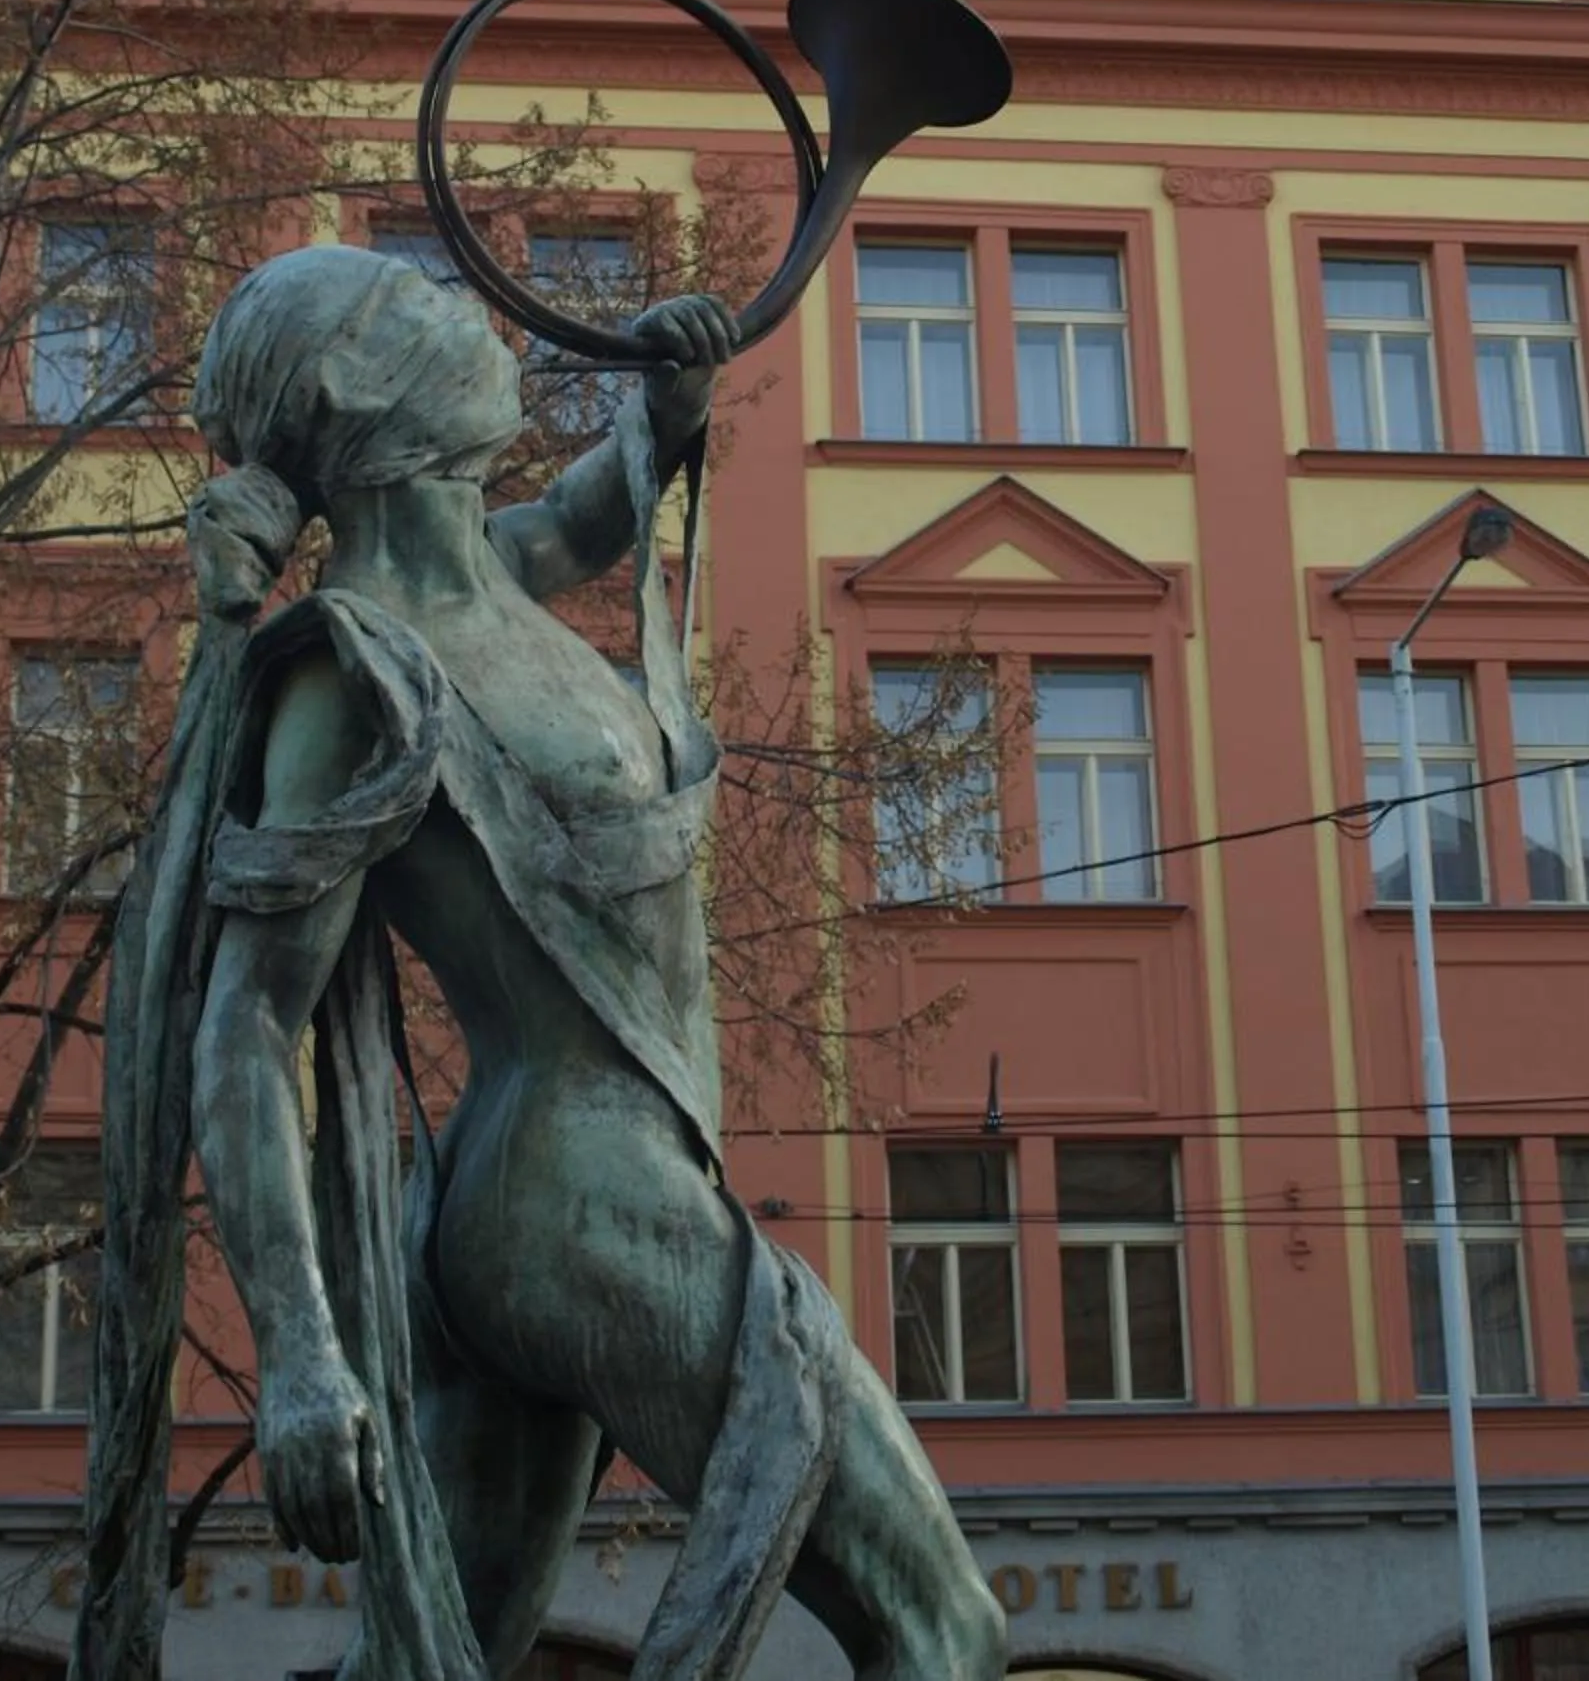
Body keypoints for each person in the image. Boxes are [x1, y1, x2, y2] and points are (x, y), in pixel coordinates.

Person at [103, 243, 1003, 1681]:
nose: (470, 315)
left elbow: (599, 504)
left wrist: (670, 396)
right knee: (944, 1626)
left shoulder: (502, 571)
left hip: (552, 1196)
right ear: (353, 386)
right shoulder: (355, 668)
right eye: (421, 309)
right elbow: (245, 1028)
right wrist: (299, 1353)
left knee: (431, 1664)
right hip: (576, 1198)